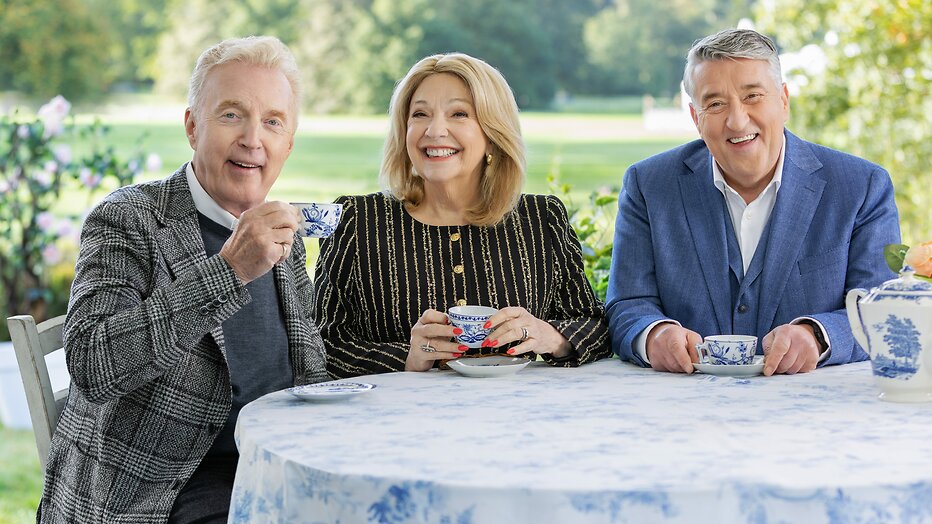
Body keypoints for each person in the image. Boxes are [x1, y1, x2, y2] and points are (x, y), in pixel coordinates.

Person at [37, 36, 328, 523]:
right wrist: (229, 270)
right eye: (232, 114)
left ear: (289, 143)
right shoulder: (129, 219)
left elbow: (306, 368)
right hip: (159, 489)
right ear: (193, 126)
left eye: (273, 122)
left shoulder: (283, 235)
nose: (253, 139)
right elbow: (94, 364)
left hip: (272, 470)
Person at [605, 28, 900, 376]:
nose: (737, 120)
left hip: (815, 414)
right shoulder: (648, 185)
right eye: (715, 104)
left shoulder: (863, 187)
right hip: (683, 411)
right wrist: (653, 334)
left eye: (753, 96)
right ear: (695, 117)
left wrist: (819, 336)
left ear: (784, 100)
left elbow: (882, 309)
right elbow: (627, 304)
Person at [314, 52, 610, 378]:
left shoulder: (542, 219)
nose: (435, 130)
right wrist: (406, 357)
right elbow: (322, 346)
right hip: (395, 422)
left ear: (493, 136)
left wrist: (550, 336)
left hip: (518, 420)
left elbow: (595, 325)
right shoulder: (358, 221)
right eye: (420, 114)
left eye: (459, 114)